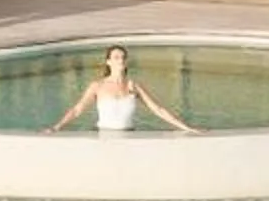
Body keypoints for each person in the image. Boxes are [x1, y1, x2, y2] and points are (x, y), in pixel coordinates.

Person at [46, 44, 197, 134]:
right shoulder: (97, 86)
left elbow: (158, 109)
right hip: (103, 137)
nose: (121, 60)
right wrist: (56, 127)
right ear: (108, 62)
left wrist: (186, 128)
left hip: (129, 135)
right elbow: (77, 110)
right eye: (117, 57)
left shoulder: (133, 85)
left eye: (123, 57)